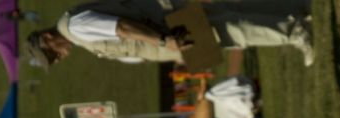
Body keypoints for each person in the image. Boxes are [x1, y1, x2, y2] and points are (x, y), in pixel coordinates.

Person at [25, 1, 314, 68]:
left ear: (48, 39)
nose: (59, 58)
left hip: (168, 27)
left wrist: (163, 42)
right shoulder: (73, 28)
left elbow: (122, 27)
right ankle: (298, 8)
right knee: (228, 14)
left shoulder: (74, 28)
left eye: (53, 54)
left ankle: (295, 31)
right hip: (165, 21)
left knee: (231, 32)